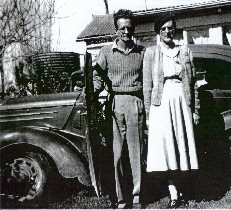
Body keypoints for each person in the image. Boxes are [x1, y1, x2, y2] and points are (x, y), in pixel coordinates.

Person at [143, 14, 199, 208]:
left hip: (182, 101)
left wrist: (195, 110)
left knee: (181, 147)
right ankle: (173, 194)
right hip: (161, 104)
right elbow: (147, 86)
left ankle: (184, 192)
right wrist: (148, 116)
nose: (168, 31)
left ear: (175, 30)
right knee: (167, 150)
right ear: (158, 32)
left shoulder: (184, 52)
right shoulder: (151, 53)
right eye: (164, 28)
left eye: (170, 28)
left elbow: (193, 84)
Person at [93, 9, 145, 209]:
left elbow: (147, 80)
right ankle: (121, 199)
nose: (126, 31)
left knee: (136, 154)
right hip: (115, 105)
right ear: (115, 30)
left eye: (129, 27)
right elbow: (97, 77)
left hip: (135, 102)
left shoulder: (142, 52)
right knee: (116, 156)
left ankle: (138, 197)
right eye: (122, 28)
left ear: (133, 29)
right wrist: (93, 90)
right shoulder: (106, 52)